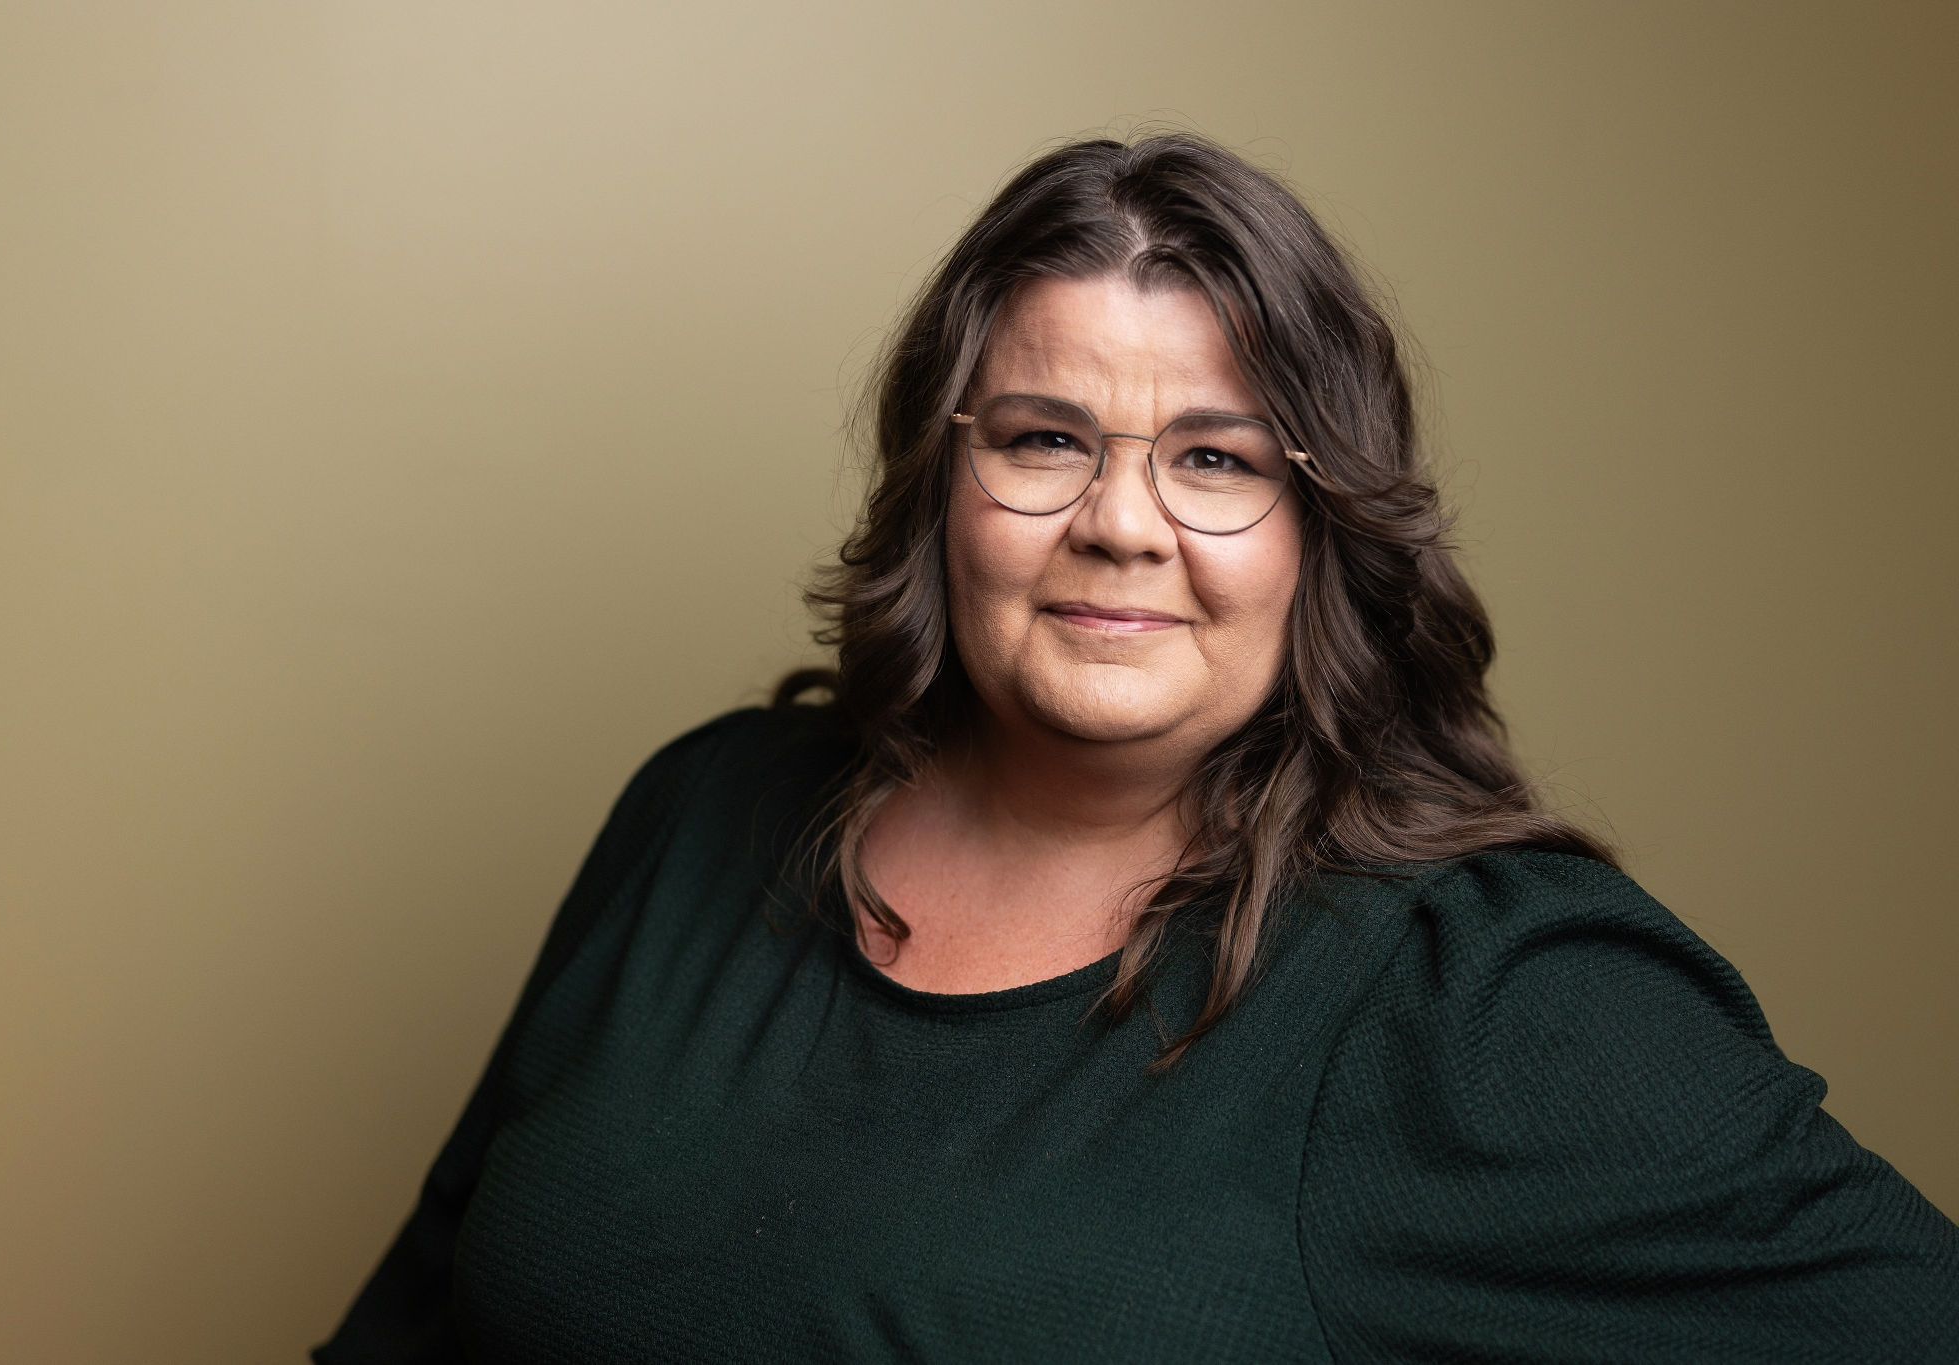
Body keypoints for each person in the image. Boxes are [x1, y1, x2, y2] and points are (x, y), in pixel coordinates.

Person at [313, 134, 1958, 1363]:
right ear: (939, 485)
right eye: (1044, 438)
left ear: (1323, 528)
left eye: (1217, 459)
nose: (1120, 523)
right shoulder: (706, 809)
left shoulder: (1478, 992)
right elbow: (413, 1327)